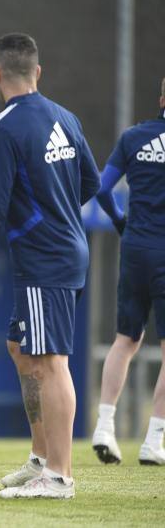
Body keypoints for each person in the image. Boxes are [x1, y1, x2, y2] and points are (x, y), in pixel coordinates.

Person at [0, 33, 100, 499]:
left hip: (45, 259)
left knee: (51, 362)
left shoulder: (4, 126)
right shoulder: (66, 117)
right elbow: (91, 183)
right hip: (67, 248)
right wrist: (54, 210)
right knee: (20, 348)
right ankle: (40, 458)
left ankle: (59, 477)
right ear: (38, 72)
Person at [91, 77, 165, 466]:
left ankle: (104, 426)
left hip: (135, 247)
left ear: (161, 98)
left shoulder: (133, 137)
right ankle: (154, 440)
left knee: (126, 339)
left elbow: (102, 190)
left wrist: (122, 223)